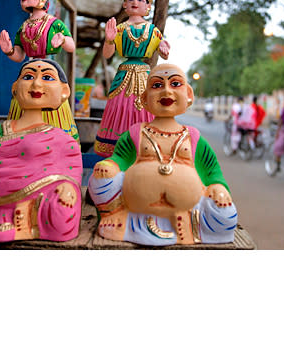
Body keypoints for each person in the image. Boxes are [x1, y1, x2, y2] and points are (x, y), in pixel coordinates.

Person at [87, 63, 237, 246]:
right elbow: (119, 158)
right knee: (100, 179)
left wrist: (217, 186)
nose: (166, 91)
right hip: (136, 207)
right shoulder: (135, 133)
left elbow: (211, 169)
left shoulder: (193, 137)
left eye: (175, 84)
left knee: (226, 215)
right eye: (157, 85)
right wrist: (110, 166)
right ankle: (118, 216)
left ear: (189, 95)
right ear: (144, 99)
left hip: (188, 214)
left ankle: (193, 229)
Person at [0, 59, 83, 242]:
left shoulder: (62, 138)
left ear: (64, 91)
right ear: (15, 88)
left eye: (47, 77)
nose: (36, 84)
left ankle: (29, 220)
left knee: (64, 208)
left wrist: (68, 188)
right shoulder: (1, 130)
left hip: (35, 200)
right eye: (28, 76)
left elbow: (72, 172)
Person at [93, 0, 171, 156]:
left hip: (144, 76)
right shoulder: (119, 28)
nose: (135, 2)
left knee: (145, 108)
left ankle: (146, 144)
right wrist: (109, 39)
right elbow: (107, 54)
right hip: (123, 76)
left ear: (148, 6)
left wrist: (163, 48)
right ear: (124, 5)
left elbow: (163, 51)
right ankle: (118, 148)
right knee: (120, 108)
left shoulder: (153, 31)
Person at [0, 0, 79, 139]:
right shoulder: (24, 27)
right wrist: (9, 51)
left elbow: (71, 47)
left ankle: (56, 140)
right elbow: (19, 55)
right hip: (29, 69)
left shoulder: (54, 23)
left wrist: (62, 39)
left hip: (50, 70)